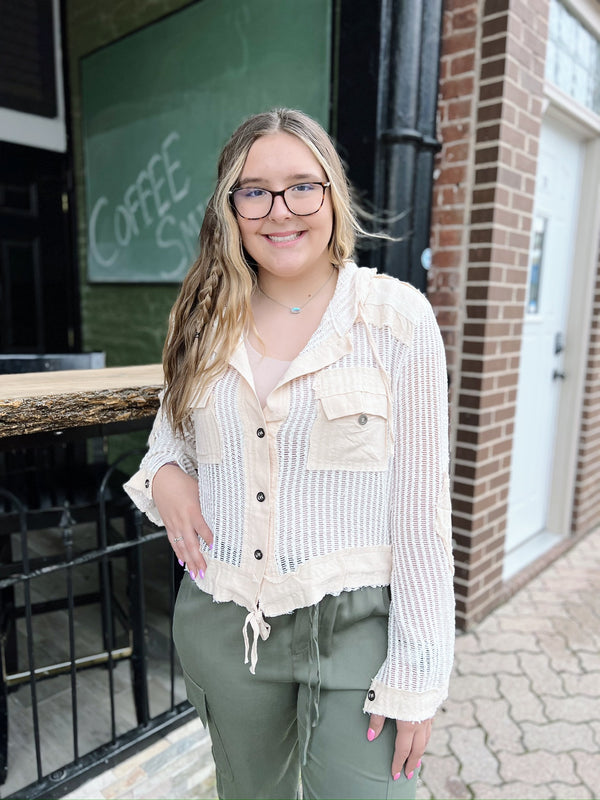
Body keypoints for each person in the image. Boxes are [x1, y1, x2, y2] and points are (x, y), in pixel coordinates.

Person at [124, 108, 455, 800]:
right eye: (255, 191)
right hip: (225, 618)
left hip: (357, 624)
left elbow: (422, 514)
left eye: (303, 186)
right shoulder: (203, 323)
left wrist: (420, 672)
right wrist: (169, 479)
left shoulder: (395, 320)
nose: (282, 210)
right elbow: (166, 443)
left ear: (334, 195)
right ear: (231, 208)